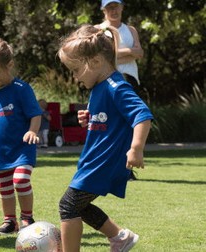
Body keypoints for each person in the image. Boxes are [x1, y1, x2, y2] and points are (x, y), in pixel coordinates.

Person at [57, 24, 153, 252]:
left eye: (76, 69)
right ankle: (120, 238)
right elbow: (107, 120)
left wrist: (136, 148)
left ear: (97, 62)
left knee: (68, 205)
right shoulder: (98, 88)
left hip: (105, 161)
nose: (74, 76)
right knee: (79, 205)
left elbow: (142, 115)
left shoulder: (116, 86)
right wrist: (89, 120)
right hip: (94, 160)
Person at [0, 36, 42, 235]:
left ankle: (27, 218)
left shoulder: (22, 89)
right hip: (1, 152)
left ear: (9, 65)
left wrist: (32, 131)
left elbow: (35, 114)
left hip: (22, 148)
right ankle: (9, 222)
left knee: (20, 181)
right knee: (4, 187)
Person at [96, 0, 145, 181]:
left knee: (129, 124)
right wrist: (129, 51)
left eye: (116, 6)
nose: (113, 10)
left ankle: (127, 168)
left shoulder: (131, 30)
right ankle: (106, 167)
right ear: (103, 10)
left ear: (122, 7)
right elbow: (107, 55)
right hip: (107, 80)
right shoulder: (98, 30)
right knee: (106, 123)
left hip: (130, 79)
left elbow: (139, 53)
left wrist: (120, 51)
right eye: (109, 7)